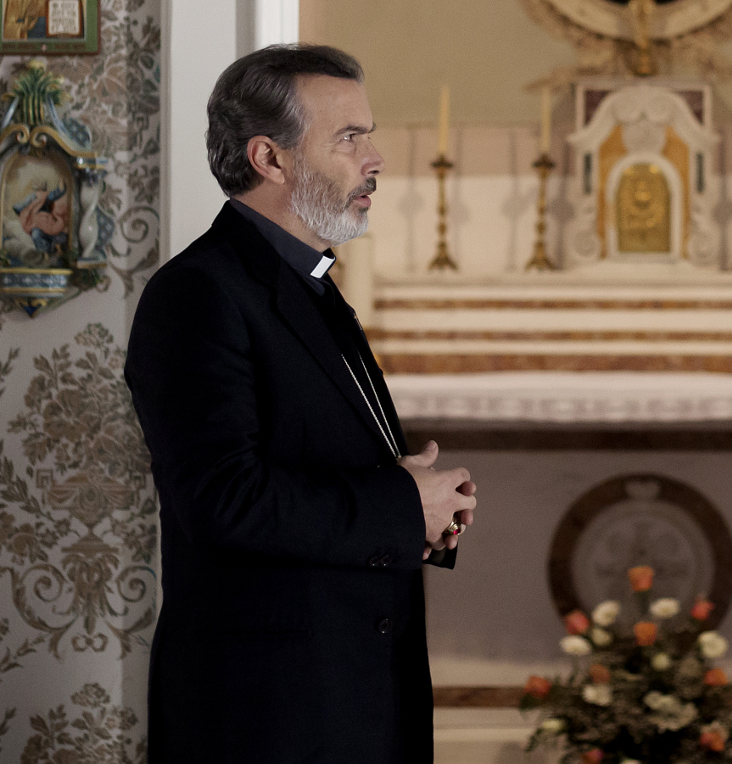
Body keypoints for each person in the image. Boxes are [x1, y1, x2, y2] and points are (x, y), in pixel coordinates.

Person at [124, 44, 478, 763]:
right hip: (267, 713)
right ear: (270, 158)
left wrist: (420, 512)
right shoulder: (198, 292)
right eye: (349, 137)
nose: (375, 159)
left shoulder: (308, 283)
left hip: (344, 696)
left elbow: (318, 460)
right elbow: (223, 500)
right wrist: (400, 506)